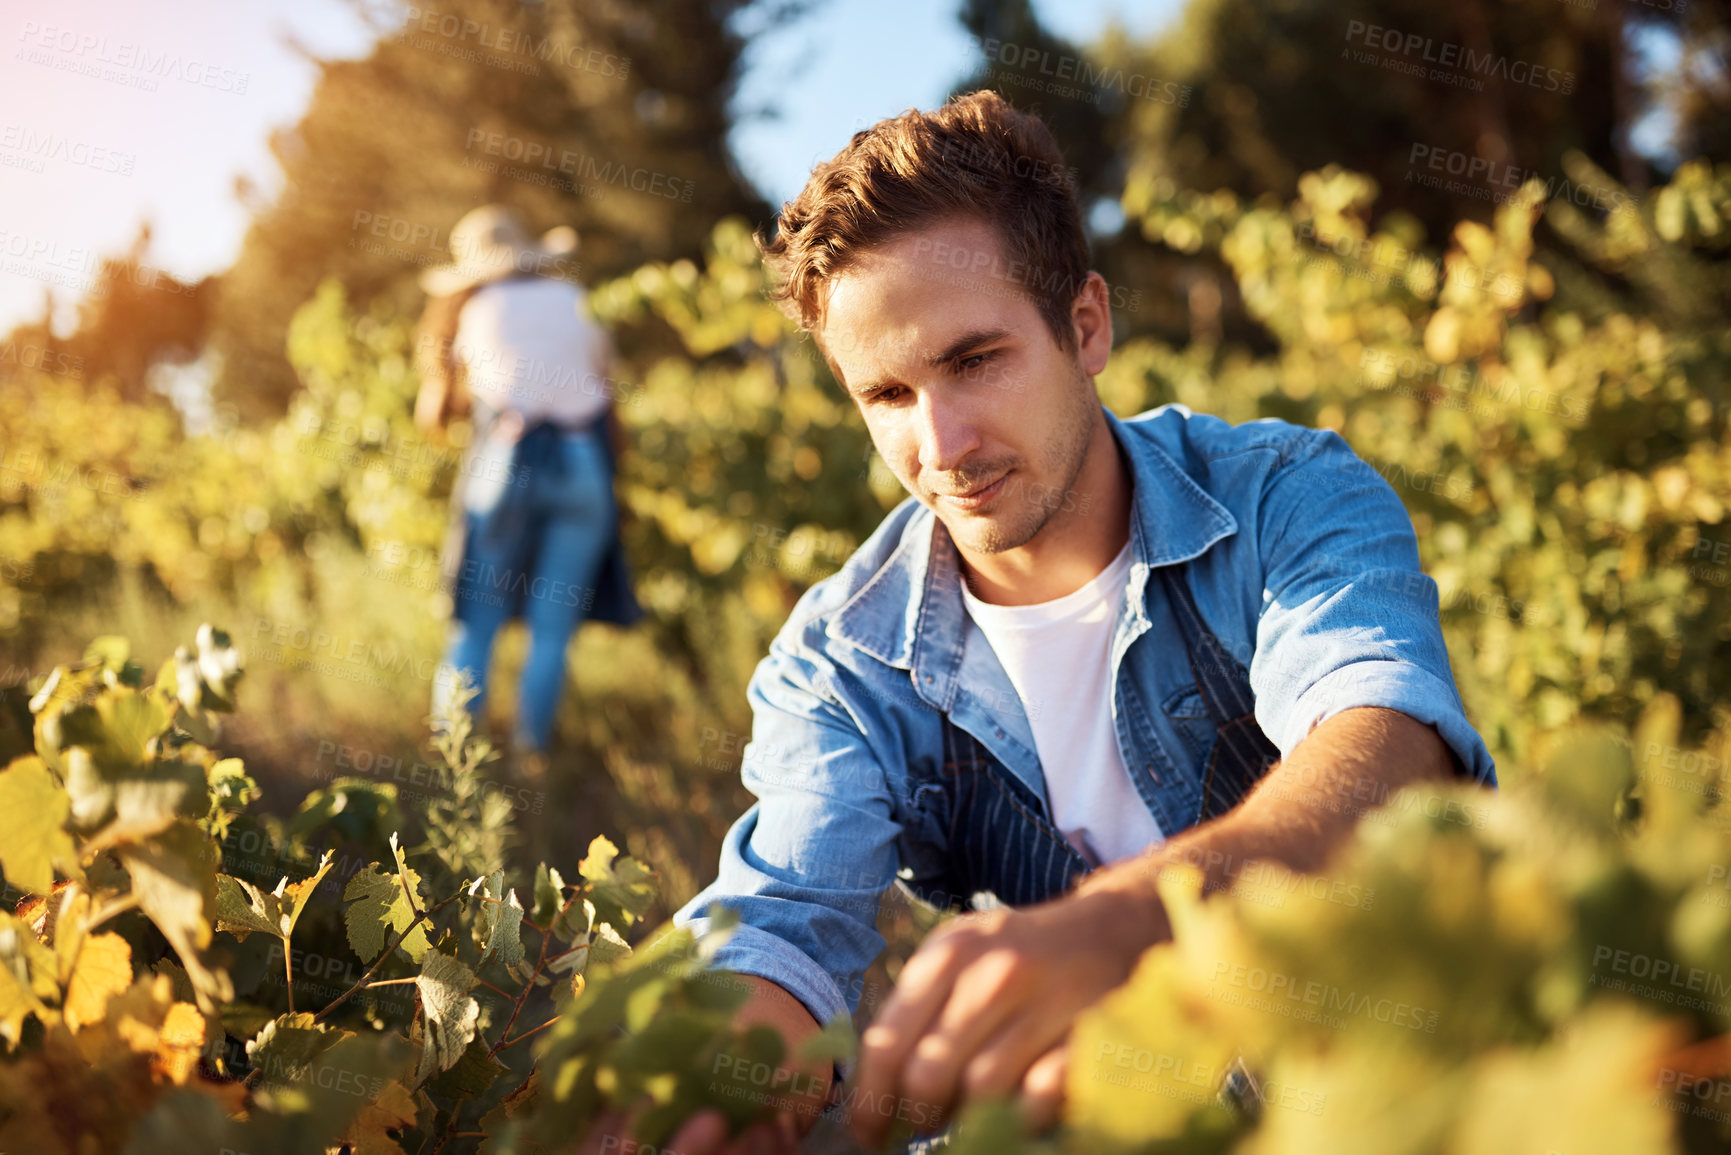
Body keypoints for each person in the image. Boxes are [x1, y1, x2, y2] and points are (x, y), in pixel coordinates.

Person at [657, 91, 1496, 1153]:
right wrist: (706, 1078)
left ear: (1085, 326)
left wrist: (1132, 920)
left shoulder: (1286, 495)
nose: (943, 442)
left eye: (974, 361)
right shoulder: (841, 660)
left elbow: (1387, 750)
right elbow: (785, 918)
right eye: (888, 395)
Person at [415, 205, 640, 773]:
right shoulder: (577, 302)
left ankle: (455, 756)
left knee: (476, 620)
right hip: (582, 466)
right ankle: (529, 753)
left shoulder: (475, 310)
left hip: (505, 465)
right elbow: (610, 409)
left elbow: (440, 411)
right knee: (551, 629)